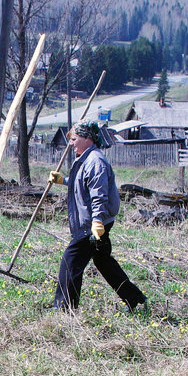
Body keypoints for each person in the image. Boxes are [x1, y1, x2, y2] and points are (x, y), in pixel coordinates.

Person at [48, 121, 146, 312]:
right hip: (93, 221)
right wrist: (63, 180)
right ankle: (134, 298)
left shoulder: (95, 161)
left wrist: (97, 221)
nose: (71, 144)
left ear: (87, 138)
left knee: (71, 261)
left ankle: (64, 308)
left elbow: (98, 195)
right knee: (103, 261)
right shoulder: (85, 158)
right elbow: (84, 183)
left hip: (92, 224)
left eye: (74, 139)